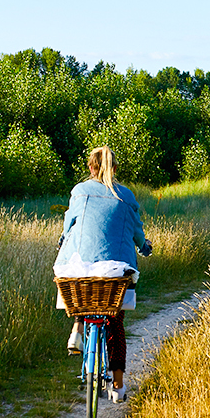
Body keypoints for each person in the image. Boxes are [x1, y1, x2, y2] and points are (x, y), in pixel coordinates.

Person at [54, 146, 152, 400]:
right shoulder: (127, 196)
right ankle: (118, 385)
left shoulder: (80, 191)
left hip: (80, 269)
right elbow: (136, 231)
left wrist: (63, 238)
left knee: (77, 288)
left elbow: (69, 223)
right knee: (115, 322)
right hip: (116, 271)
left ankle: (77, 326)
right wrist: (144, 247)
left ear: (90, 167)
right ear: (115, 168)